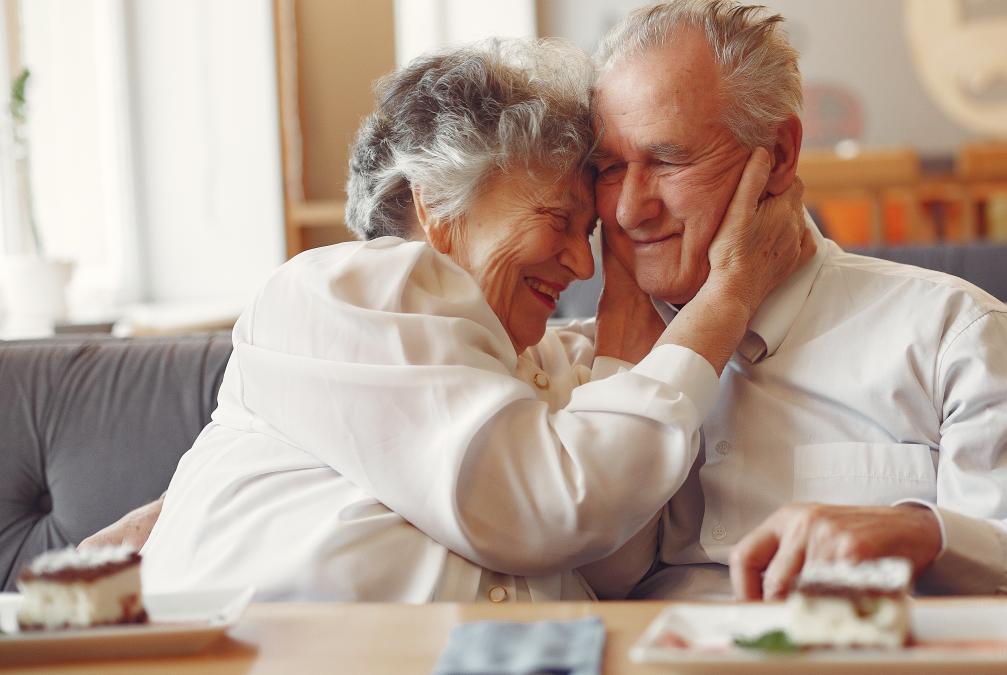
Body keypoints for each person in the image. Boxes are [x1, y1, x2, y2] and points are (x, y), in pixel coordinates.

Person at [126, 38, 808, 602]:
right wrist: (727, 298)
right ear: (436, 204)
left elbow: (610, 560)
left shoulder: (545, 362)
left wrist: (621, 353)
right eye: (558, 220)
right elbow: (552, 507)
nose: (583, 264)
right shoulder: (349, 289)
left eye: (589, 234)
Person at [578, 0, 1007, 599]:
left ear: (779, 155)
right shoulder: (579, 359)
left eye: (669, 160)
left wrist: (926, 536)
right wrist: (625, 363)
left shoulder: (951, 334)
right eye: (609, 168)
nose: (628, 210)